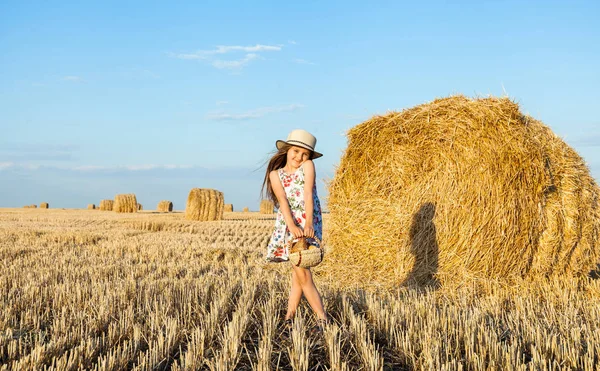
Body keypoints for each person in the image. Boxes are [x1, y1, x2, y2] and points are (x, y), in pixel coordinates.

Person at [262, 129, 329, 333]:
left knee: (302, 272)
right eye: (296, 151)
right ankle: (289, 316)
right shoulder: (275, 175)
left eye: (304, 153)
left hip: (308, 222)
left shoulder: (308, 166)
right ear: (287, 150)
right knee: (298, 273)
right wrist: (292, 227)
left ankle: (322, 319)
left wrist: (308, 223)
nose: (299, 157)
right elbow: (282, 202)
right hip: (289, 225)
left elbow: (308, 194)